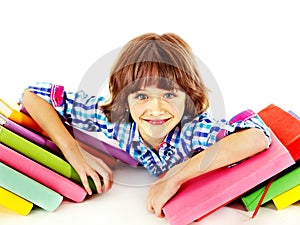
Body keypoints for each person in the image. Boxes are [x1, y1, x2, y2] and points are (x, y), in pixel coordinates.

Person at [21, 33, 271, 217]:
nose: (155, 110)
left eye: (170, 95)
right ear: (123, 99)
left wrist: (175, 177)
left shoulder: (192, 129)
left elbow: (256, 137)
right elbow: (33, 94)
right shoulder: (116, 119)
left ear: (189, 98)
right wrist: (75, 153)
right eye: (141, 96)